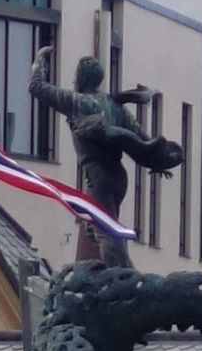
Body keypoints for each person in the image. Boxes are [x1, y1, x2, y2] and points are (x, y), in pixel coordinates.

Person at [29, 46, 183, 267]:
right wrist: (158, 160)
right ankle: (107, 273)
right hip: (118, 178)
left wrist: (40, 60)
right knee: (95, 227)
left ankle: (124, 278)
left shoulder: (78, 101)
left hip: (98, 177)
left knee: (106, 234)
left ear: (80, 79)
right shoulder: (114, 106)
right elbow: (142, 139)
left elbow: (36, 87)